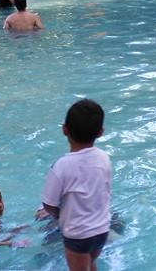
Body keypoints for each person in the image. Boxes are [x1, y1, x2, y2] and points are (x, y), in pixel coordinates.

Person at [41, 99, 111, 271]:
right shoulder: (104, 158)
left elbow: (48, 204)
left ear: (64, 129)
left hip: (78, 235)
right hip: (102, 229)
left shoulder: (62, 166)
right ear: (101, 132)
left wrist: (58, 215)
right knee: (90, 263)